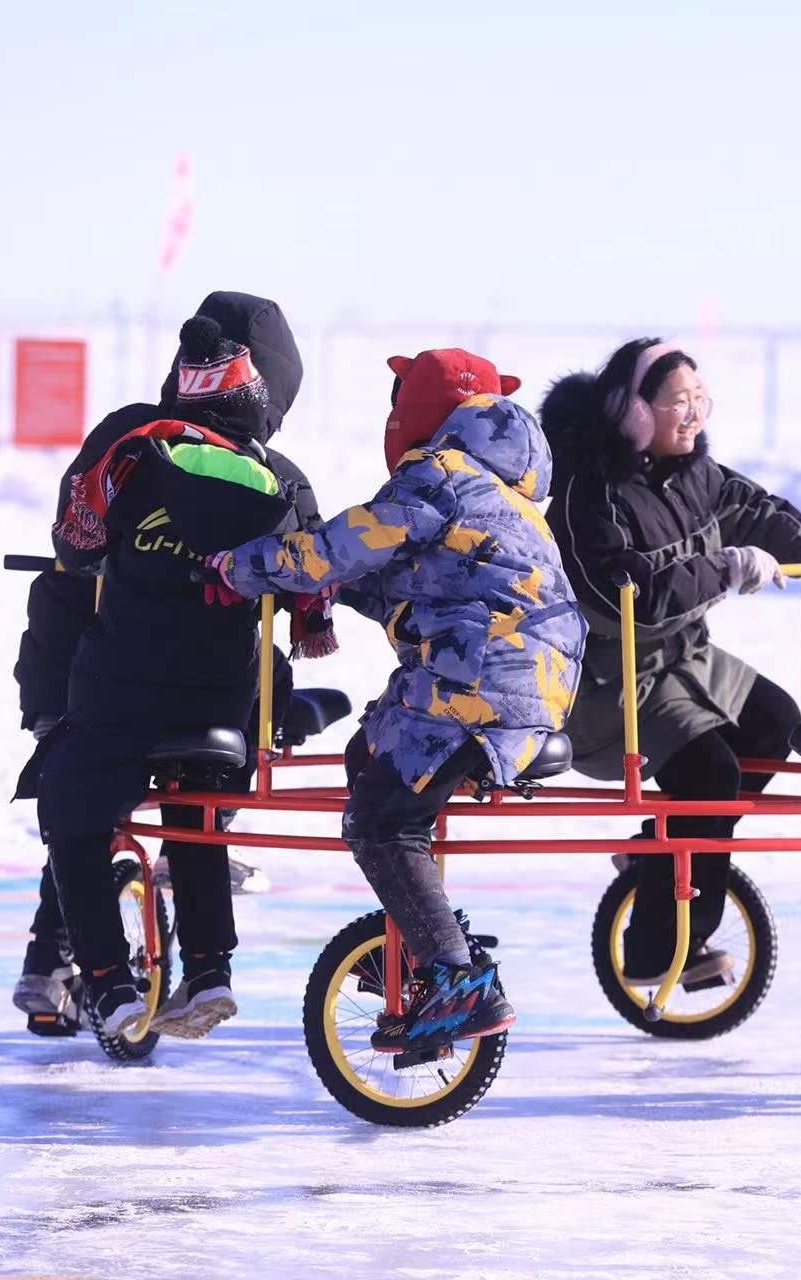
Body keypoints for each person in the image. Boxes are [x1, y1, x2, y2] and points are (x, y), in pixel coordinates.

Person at [208, 352, 584, 1052]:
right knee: (371, 756)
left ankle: (454, 976)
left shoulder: (437, 474)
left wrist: (243, 566)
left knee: (380, 824)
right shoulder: (503, 495)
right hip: (530, 682)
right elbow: (411, 585)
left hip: (477, 678)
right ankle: (424, 938)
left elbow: (341, 545)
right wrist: (334, 588)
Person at [19, 291, 328, 1042]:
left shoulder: (129, 439)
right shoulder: (284, 477)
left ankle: (102, 979)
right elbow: (311, 586)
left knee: (71, 805)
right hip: (224, 703)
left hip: (119, 695)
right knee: (198, 811)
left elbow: (75, 546)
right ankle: (210, 969)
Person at [540, 339, 801, 987]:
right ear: (632, 410)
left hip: (684, 658)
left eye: (701, 399)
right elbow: (625, 595)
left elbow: (755, 512)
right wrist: (723, 569)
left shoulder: (695, 473)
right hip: (610, 680)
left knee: (775, 724)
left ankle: (659, 855)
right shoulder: (588, 491)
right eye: (678, 401)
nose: (694, 414)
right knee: (711, 774)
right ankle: (663, 944)